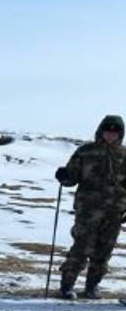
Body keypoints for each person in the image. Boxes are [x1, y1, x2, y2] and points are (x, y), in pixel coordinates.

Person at [55, 115, 126, 299]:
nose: (111, 135)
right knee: (82, 246)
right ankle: (67, 285)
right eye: (107, 131)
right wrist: (65, 176)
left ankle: (92, 286)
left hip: (115, 211)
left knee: (104, 250)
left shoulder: (125, 156)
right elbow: (72, 178)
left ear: (120, 134)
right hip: (88, 210)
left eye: (115, 132)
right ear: (101, 131)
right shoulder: (86, 152)